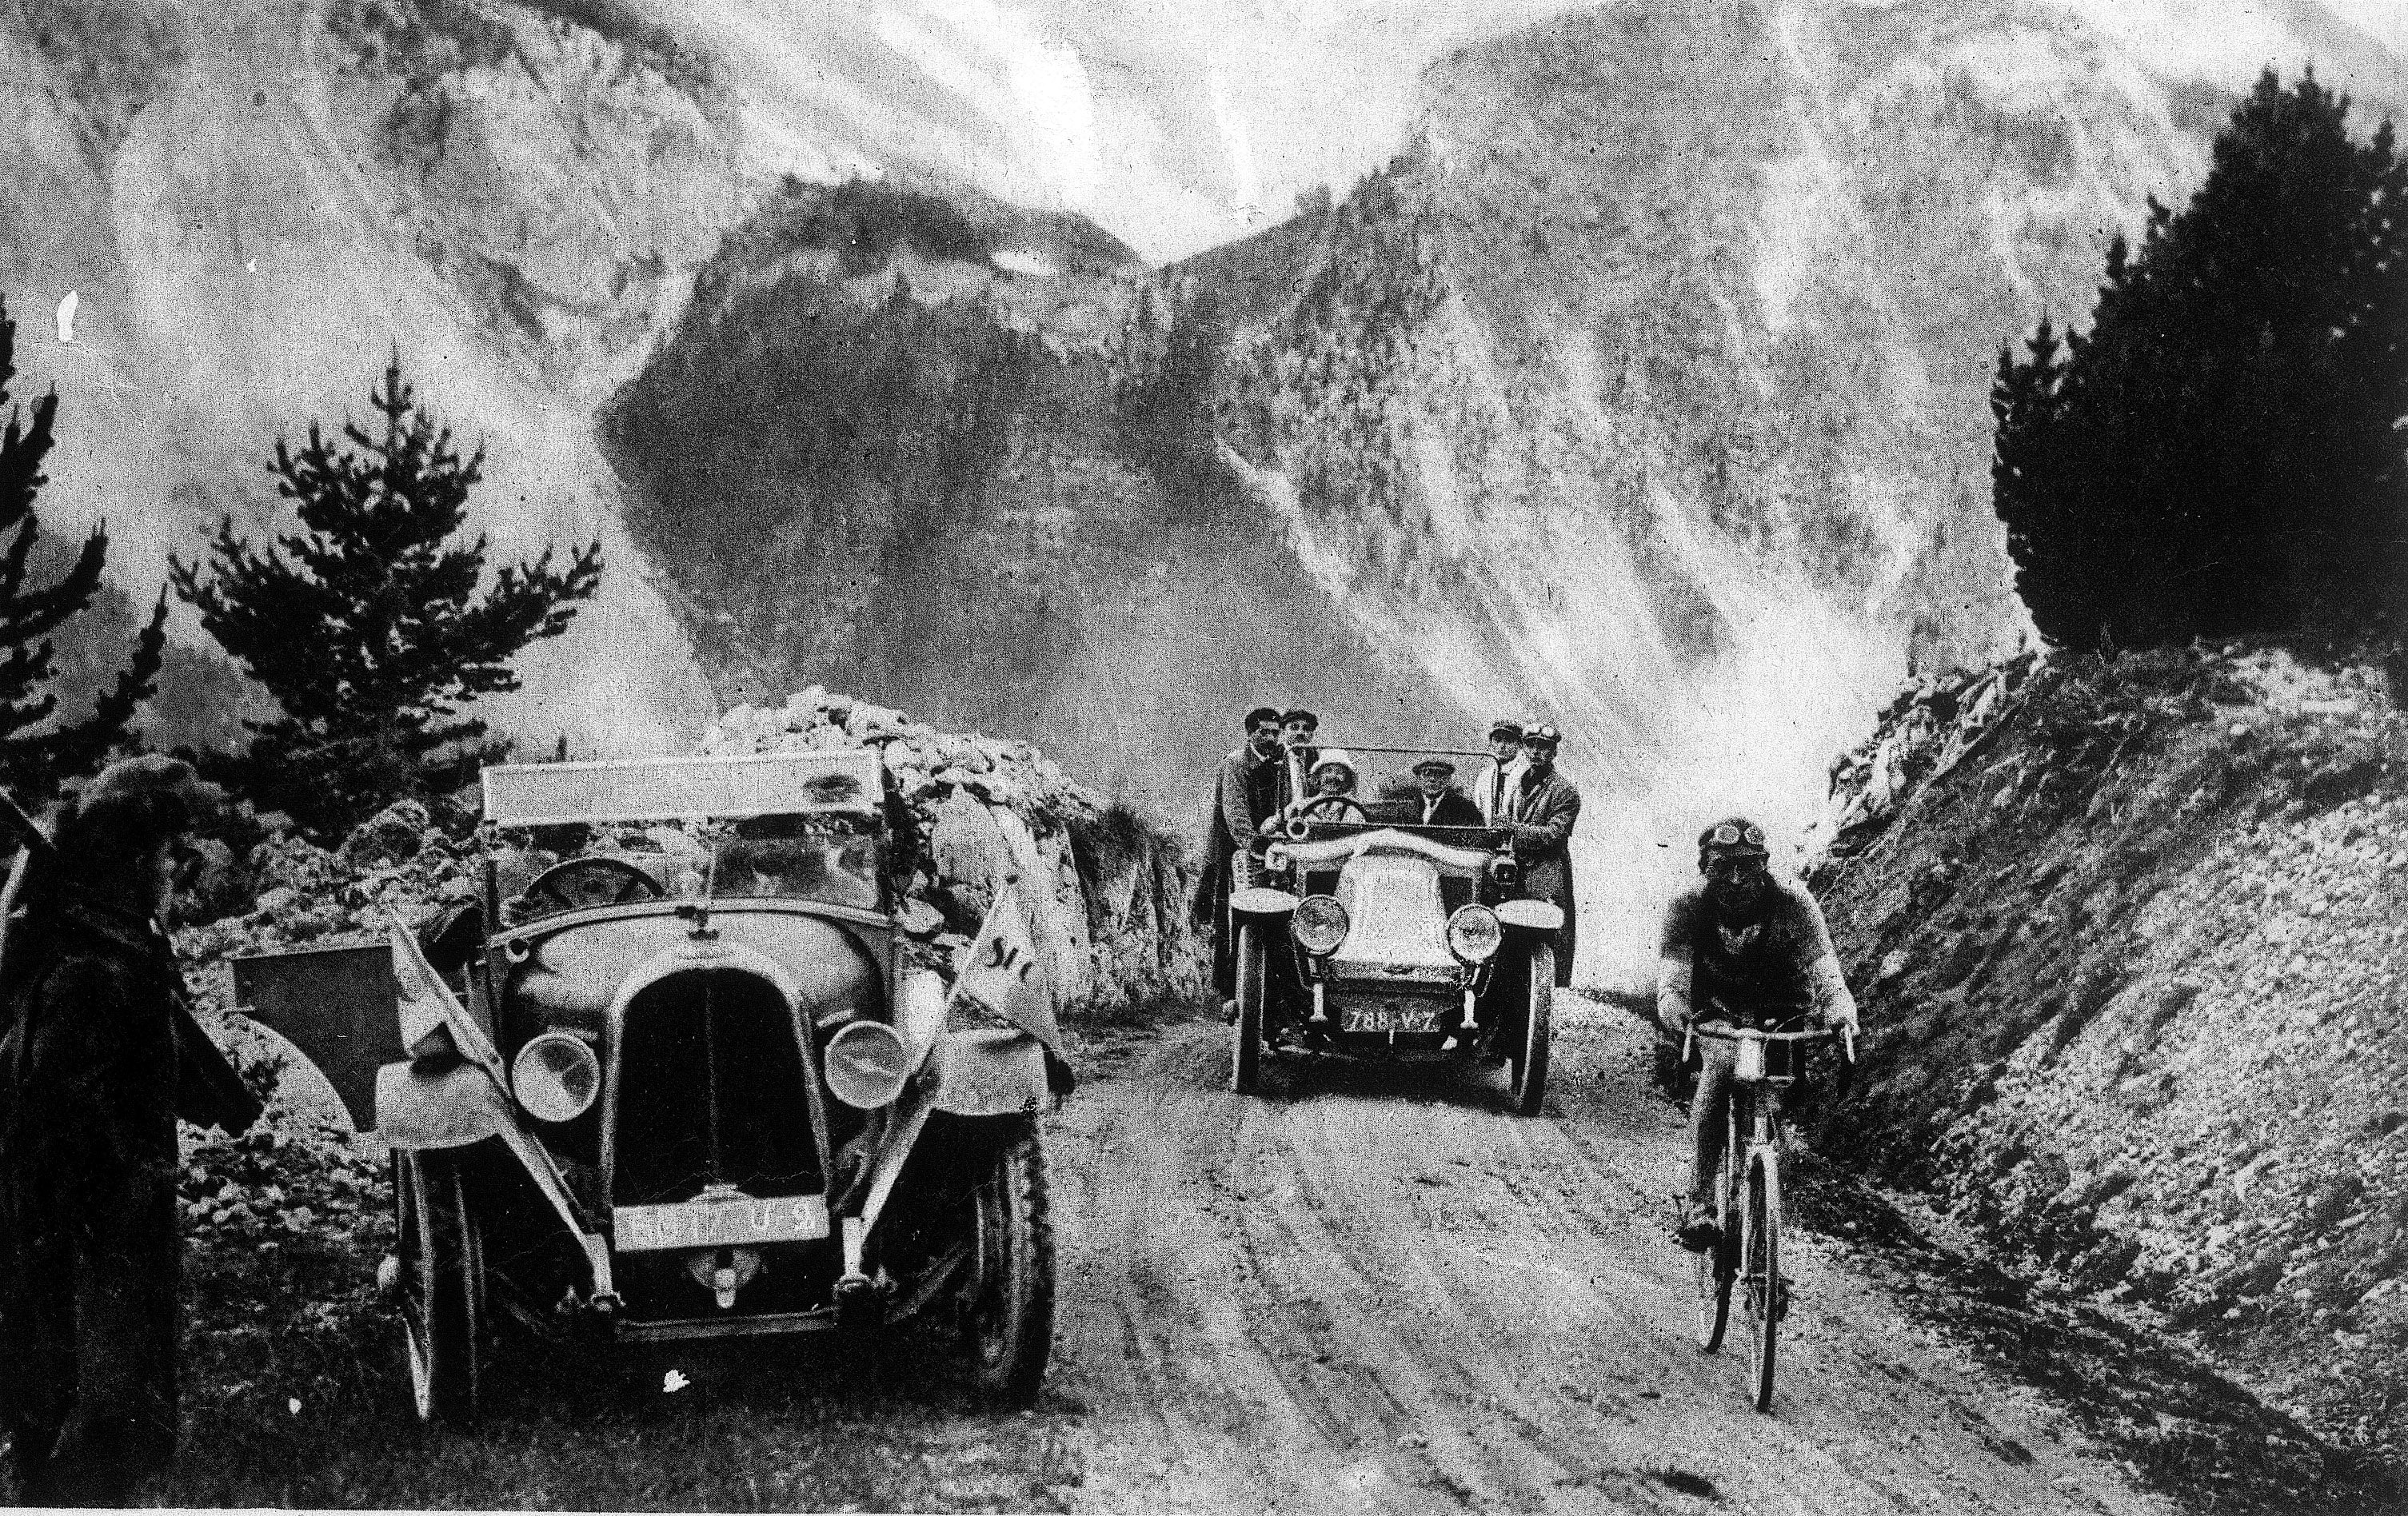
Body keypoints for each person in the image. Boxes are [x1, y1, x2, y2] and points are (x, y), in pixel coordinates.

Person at [0, 756, 261, 1506]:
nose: (180, 873)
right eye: (172, 855)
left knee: (99, 1422)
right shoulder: (94, 975)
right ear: (138, 858)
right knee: (92, 1435)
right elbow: (60, 1126)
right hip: (91, 1237)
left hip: (100, 1231)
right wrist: (134, 1181)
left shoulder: (105, 954)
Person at [1658, 817, 1859, 1252]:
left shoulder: (1794, 904)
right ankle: (1699, 1201)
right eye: (1723, 868)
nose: (1737, 880)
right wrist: (1681, 1015)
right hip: (1717, 1011)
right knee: (1717, 1074)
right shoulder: (1688, 907)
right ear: (1705, 869)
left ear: (1764, 866)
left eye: (1747, 867)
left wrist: (1842, 1015)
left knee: (1777, 1095)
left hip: (1778, 1011)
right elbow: (1672, 979)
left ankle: (1767, 1226)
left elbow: (1824, 970)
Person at [1196, 707, 1288, 1007]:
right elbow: (1236, 815)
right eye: (1263, 732)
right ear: (1250, 734)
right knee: (1234, 919)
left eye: (1275, 733)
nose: (1270, 738)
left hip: (1272, 851)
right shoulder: (1237, 764)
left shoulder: (1280, 763)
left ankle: (1271, 996)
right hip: (1236, 853)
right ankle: (1233, 994)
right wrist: (1256, 847)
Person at [1501, 723, 1579, 986]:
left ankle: (1550, 994)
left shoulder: (1565, 791)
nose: (1536, 752)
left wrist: (1514, 829)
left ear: (1553, 752)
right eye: (1531, 746)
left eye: (1543, 747)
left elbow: (1554, 834)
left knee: (1547, 933)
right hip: (1518, 870)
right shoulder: (1519, 783)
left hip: (1547, 873)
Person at [1277, 750, 1368, 825]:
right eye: (1328, 771)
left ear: (1347, 779)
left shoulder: (1352, 809)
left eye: (1339, 772)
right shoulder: (1302, 805)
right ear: (1319, 776)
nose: (1333, 777)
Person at [1407, 757, 1483, 828]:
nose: (1433, 779)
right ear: (1419, 778)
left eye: (1439, 774)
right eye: (1427, 774)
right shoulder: (1408, 806)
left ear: (1448, 779)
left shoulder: (1465, 808)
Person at [1477, 716, 1527, 824]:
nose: (1502, 746)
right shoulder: (1484, 777)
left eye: (1508, 741)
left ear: (1519, 745)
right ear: (1491, 743)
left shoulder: (1525, 774)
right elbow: (1478, 810)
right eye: (1497, 740)